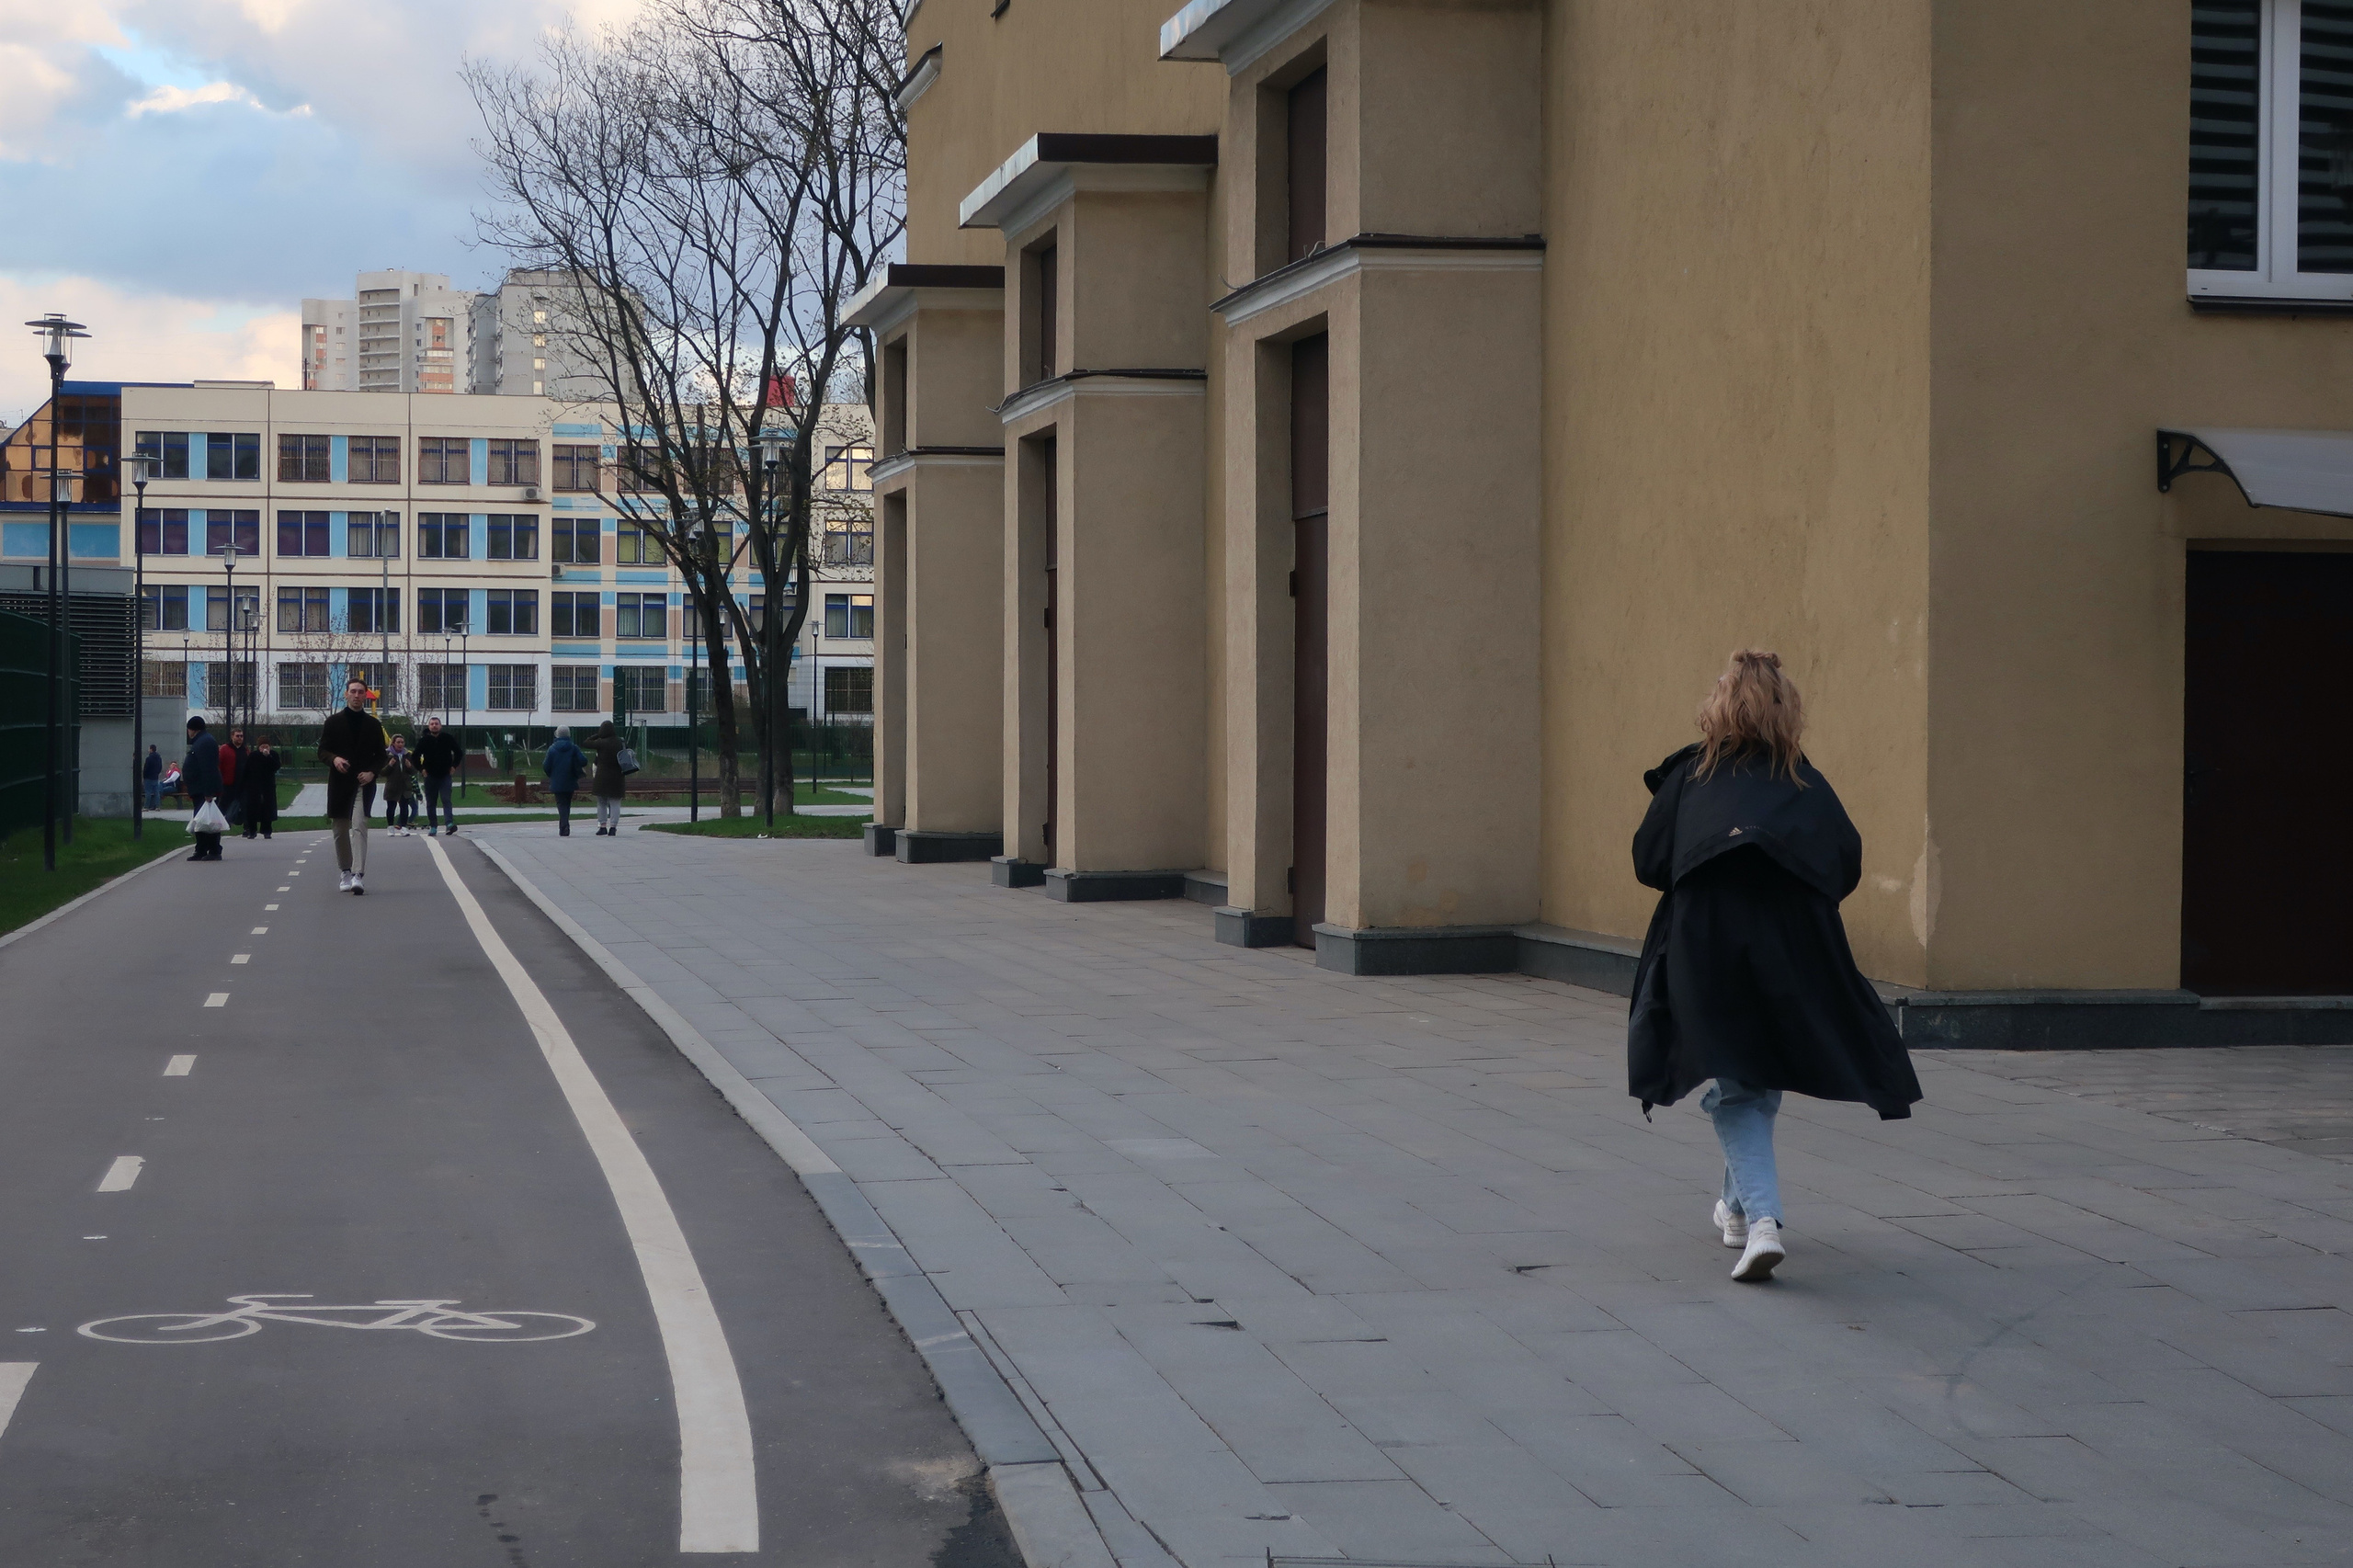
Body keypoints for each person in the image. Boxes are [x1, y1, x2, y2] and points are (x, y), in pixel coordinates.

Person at [1628, 650, 1921, 1283]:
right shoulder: (1805, 783)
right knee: (1753, 1069)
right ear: (1788, 711)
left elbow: (1649, 862)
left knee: (1737, 1076)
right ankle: (1734, 1211)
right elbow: (1845, 862)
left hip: (1706, 941)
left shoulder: (1691, 776)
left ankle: (1761, 1221)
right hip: (1793, 943)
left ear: (1720, 705)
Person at [319, 677, 390, 894]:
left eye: (361, 692)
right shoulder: (333, 722)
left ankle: (359, 874)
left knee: (359, 825)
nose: (357, 696)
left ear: (365, 696)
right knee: (340, 829)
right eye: (353, 692)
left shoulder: (373, 725)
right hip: (340, 783)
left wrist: (372, 773)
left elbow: (381, 756)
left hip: (362, 783)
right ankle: (345, 871)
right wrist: (334, 759)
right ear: (346, 694)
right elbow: (322, 751)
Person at [181, 718, 224, 862]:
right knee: (201, 821)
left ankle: (213, 850)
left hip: (204, 790)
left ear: (193, 729)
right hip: (200, 789)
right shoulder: (202, 741)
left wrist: (208, 792)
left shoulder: (204, 742)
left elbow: (207, 769)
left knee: (208, 821)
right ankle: (200, 849)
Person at [415, 714, 460, 835]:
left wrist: (454, 766)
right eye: (432, 724)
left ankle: (449, 824)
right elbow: (415, 756)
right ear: (429, 726)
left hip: (445, 775)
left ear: (440, 726)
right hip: (430, 776)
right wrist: (421, 769)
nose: (434, 726)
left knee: (446, 800)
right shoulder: (424, 740)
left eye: (436, 724)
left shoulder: (447, 738)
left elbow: (458, 752)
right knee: (431, 802)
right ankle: (433, 826)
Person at [544, 726, 587, 837]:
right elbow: (584, 761)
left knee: (561, 804)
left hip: (557, 781)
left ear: (557, 734)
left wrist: (552, 775)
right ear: (569, 735)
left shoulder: (552, 749)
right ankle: (564, 826)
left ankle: (564, 826)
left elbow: (546, 766)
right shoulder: (574, 748)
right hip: (570, 780)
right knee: (567, 804)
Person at [586, 720, 627, 835]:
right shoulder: (621, 742)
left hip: (602, 777)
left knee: (601, 802)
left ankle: (602, 826)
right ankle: (613, 827)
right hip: (618, 776)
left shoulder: (600, 743)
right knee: (615, 802)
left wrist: (597, 735)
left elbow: (586, 742)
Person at [240, 734, 282, 840]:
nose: (264, 748)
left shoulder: (273, 755)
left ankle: (267, 831)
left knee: (267, 809)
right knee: (252, 809)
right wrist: (244, 785)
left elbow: (276, 767)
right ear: (258, 747)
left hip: (268, 786)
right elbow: (247, 770)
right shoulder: (253, 756)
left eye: (266, 746)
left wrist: (268, 757)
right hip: (254, 787)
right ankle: (252, 831)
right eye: (262, 746)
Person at [381, 733, 420, 836]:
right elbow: (382, 772)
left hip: (405, 786)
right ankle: (390, 827)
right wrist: (390, 765)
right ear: (393, 743)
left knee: (404, 807)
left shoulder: (407, 755)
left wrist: (409, 766)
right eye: (398, 742)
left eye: (402, 742)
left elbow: (414, 771)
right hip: (392, 785)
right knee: (391, 807)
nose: (400, 744)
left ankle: (404, 828)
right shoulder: (387, 754)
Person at [218, 727, 245, 831]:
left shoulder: (245, 750)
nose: (240, 738)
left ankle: (233, 823)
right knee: (223, 805)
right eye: (237, 736)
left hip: (241, 784)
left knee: (240, 806)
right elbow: (218, 765)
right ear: (232, 736)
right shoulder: (224, 749)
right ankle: (219, 823)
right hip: (227, 784)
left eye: (241, 736)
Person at [142, 744, 163, 812]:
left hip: (148, 777)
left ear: (151, 749)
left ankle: (146, 806)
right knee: (156, 792)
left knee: (148, 792)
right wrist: (157, 773)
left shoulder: (149, 758)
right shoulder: (159, 758)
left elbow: (146, 768)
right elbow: (160, 767)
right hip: (155, 777)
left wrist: (144, 775)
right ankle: (158, 806)